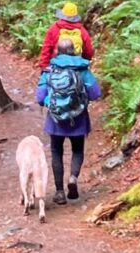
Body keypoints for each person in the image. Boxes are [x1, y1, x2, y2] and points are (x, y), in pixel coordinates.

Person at [36, 34, 102, 205]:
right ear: (73, 51)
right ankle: (73, 178)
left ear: (57, 51)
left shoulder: (50, 70)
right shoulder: (83, 70)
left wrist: (50, 103)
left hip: (56, 118)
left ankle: (59, 192)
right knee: (77, 150)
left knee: (56, 152)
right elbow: (96, 94)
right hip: (78, 117)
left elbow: (39, 97)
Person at [39, 1, 93, 68]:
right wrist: (83, 63)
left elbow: (46, 48)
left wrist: (44, 66)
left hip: (57, 65)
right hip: (77, 66)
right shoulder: (82, 31)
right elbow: (88, 51)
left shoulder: (54, 28)